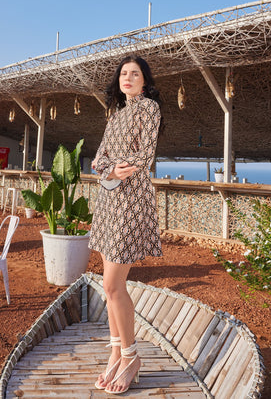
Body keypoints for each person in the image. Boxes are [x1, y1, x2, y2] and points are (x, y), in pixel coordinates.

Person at [89, 54, 163, 395]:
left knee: (113, 284)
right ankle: (116, 354)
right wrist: (110, 169)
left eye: (135, 74)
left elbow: (145, 155)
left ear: (144, 80)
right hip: (109, 202)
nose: (128, 78)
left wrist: (117, 168)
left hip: (132, 203)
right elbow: (98, 159)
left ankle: (132, 358)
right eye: (123, 73)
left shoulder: (148, 109)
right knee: (109, 288)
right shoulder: (116, 114)